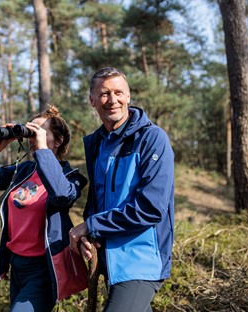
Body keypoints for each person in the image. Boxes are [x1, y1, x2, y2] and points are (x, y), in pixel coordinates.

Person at [69, 67, 175, 312]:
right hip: (109, 260)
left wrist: (92, 225)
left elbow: (150, 208)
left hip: (141, 260)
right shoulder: (95, 144)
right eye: (104, 94)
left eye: (118, 92)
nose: (112, 100)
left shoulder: (152, 138)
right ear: (92, 101)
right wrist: (90, 236)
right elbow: (97, 201)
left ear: (128, 96)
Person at [0, 105, 88, 312]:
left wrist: (42, 151)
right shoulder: (23, 171)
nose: (33, 138)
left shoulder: (72, 177)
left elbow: (61, 195)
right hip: (17, 267)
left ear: (58, 141)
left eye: (38, 132)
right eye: (31, 131)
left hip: (44, 268)